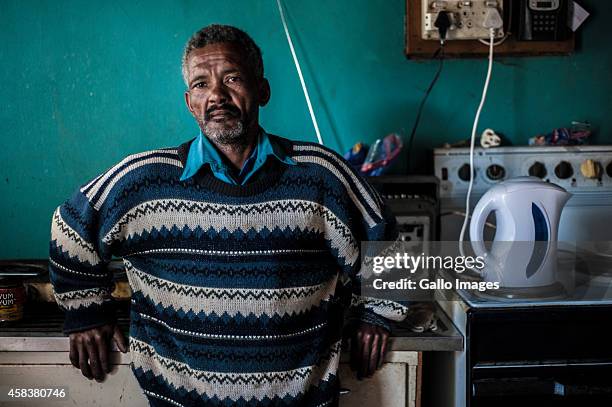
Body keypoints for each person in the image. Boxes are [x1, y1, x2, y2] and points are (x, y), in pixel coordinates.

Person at [49, 24, 408, 407]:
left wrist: (378, 316)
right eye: (201, 84)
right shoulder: (143, 181)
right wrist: (86, 313)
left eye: (232, 78)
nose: (216, 95)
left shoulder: (320, 174)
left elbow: (396, 246)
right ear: (190, 102)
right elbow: (70, 226)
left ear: (263, 90)